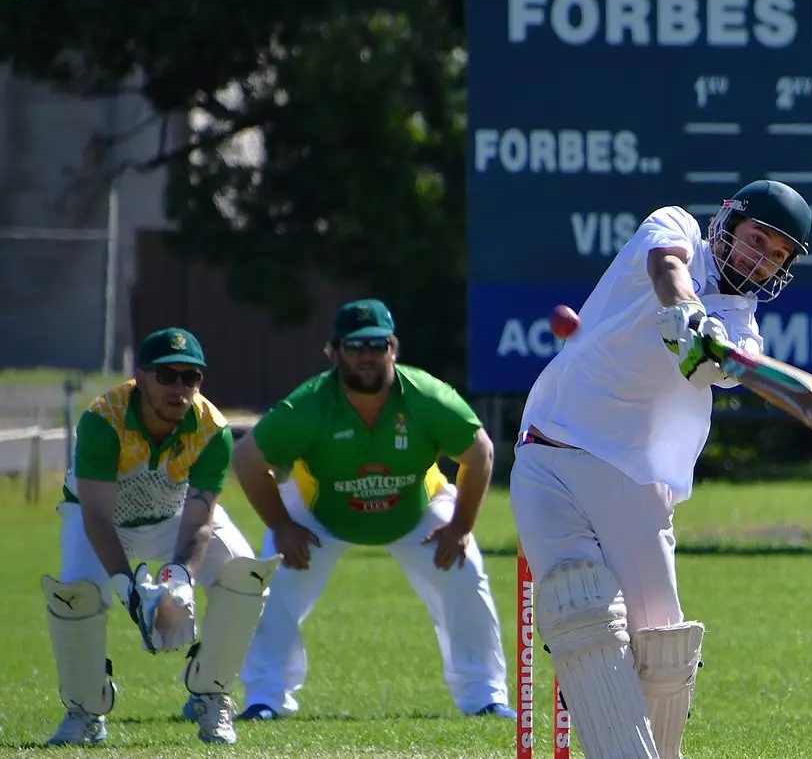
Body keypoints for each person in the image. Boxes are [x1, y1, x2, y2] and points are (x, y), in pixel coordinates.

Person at [511, 179, 812, 759]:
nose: (761, 259)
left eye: (778, 255)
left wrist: (714, 341)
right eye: (757, 240)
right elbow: (667, 269)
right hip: (547, 453)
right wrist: (687, 313)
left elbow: (714, 368)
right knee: (583, 614)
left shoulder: (743, 331)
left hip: (634, 485)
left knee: (662, 651)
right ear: (728, 221)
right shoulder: (674, 225)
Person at [231, 298, 514, 721]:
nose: (366, 356)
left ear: (393, 348)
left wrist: (460, 526)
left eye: (377, 345)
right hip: (318, 514)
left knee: (465, 571)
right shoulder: (308, 405)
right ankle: (266, 698)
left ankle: (485, 698)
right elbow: (248, 461)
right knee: (274, 573)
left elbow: (481, 453)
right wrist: (282, 525)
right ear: (333, 351)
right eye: (355, 346)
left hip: (416, 508)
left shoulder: (425, 396)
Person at [42, 328, 280, 747]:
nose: (179, 388)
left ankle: (212, 692)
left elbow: (201, 517)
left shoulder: (212, 428)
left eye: (191, 377)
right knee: (75, 595)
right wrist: (127, 587)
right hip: (102, 521)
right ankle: (86, 709)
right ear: (140, 376)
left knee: (246, 576)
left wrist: (181, 578)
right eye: (167, 375)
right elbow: (95, 516)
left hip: (174, 515)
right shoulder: (104, 419)